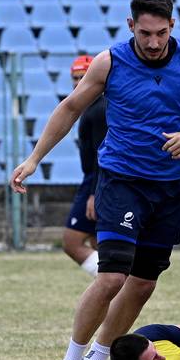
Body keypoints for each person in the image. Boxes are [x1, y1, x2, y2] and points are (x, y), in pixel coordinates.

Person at [11, 0, 180, 360]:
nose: (154, 42)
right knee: (112, 275)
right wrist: (34, 158)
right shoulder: (109, 62)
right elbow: (71, 107)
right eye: (146, 33)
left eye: (162, 33)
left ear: (173, 26)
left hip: (170, 188)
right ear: (131, 26)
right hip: (122, 181)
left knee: (144, 284)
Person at [61, 55, 107, 277]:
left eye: (84, 77)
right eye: (75, 78)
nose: (79, 83)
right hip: (95, 180)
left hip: (95, 182)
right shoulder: (91, 107)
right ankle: (116, 291)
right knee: (99, 242)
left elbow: (102, 155)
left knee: (72, 242)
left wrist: (93, 194)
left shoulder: (98, 110)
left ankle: (114, 287)